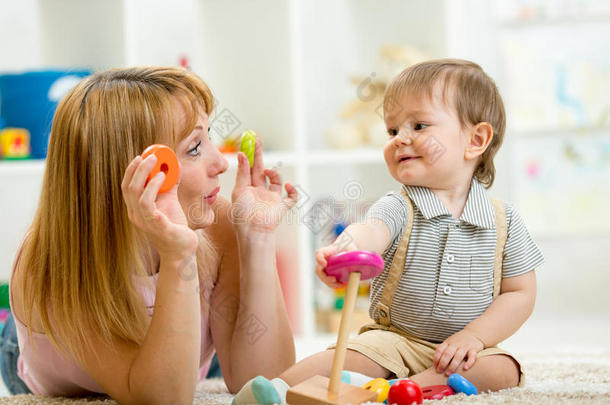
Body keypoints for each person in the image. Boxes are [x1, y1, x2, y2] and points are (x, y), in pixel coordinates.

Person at [232, 59, 544, 404]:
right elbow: (369, 231)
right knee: (341, 359)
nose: (400, 140)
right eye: (393, 131)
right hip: (391, 342)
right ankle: (277, 390)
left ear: (476, 139)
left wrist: (474, 338)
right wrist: (341, 251)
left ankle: (402, 390)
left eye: (419, 126)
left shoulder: (505, 221)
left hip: (461, 351)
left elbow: (519, 294)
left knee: (504, 370)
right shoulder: (399, 206)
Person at [0, 67, 297, 403]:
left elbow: (265, 379)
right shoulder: (53, 264)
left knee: (193, 365)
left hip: (186, 356)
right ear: (136, 173)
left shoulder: (218, 225)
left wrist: (257, 239)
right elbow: (160, 399)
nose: (221, 163)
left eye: (209, 135)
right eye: (195, 148)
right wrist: (177, 256)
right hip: (51, 365)